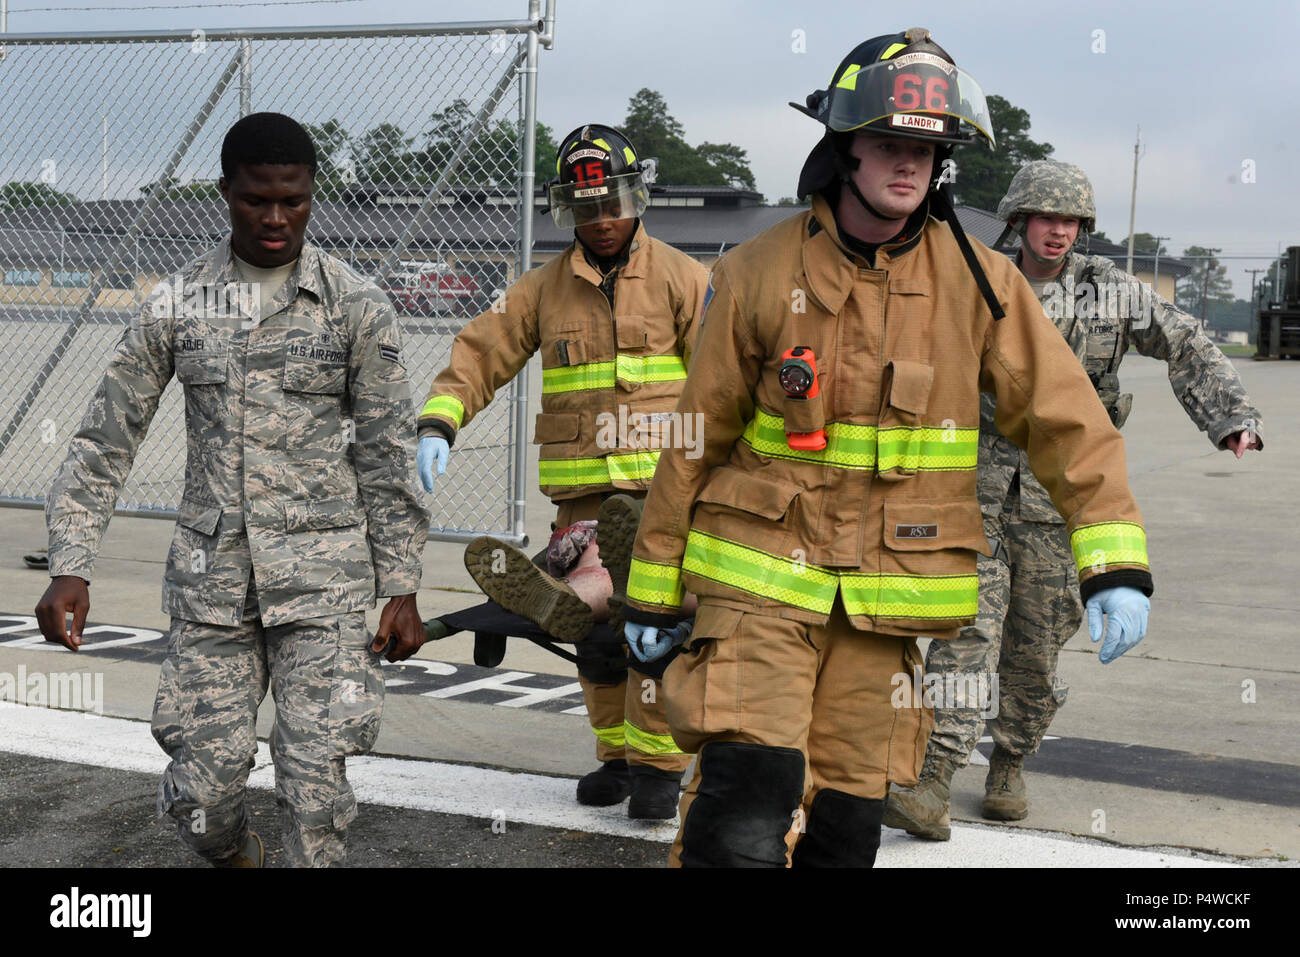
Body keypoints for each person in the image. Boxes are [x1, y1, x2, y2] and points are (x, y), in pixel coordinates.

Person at [619, 28, 1156, 868]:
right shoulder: (759, 271)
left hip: (886, 604)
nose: (909, 164)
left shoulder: (982, 283)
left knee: (847, 827)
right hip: (758, 586)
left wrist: (1113, 559)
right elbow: (696, 438)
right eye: (888, 143)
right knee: (747, 808)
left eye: (926, 149)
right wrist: (651, 592)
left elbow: (1068, 422)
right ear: (845, 149)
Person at [35, 112, 429, 867]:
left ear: (312, 195)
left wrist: (402, 584)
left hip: (325, 586)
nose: (276, 217)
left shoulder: (355, 306)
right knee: (200, 798)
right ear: (226, 192)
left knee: (316, 795)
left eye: (294, 200)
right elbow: (103, 441)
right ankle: (233, 853)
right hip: (213, 587)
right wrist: (70, 562)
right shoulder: (176, 305)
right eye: (256, 200)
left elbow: (387, 454)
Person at [884, 159, 1262, 839]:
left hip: (1061, 506)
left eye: (1070, 221)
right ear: (1018, 220)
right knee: (963, 635)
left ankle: (1010, 762)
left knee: (1033, 651)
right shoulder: (975, 277)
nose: (1057, 232)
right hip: (972, 492)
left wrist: (1230, 416)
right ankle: (934, 776)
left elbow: (1186, 344)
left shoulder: (1110, 292)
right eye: (1045, 218)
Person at [416, 125, 709, 819]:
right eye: (584, 209)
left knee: (654, 626)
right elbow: (479, 352)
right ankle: (614, 756)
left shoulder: (683, 278)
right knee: (594, 636)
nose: (601, 220)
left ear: (637, 198)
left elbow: (725, 376)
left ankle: (659, 767)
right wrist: (439, 421)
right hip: (584, 497)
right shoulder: (541, 289)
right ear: (566, 211)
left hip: (662, 498)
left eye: (612, 204)